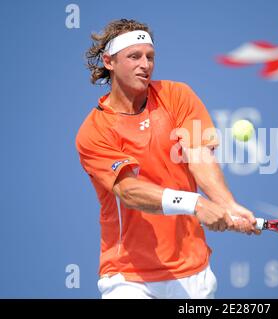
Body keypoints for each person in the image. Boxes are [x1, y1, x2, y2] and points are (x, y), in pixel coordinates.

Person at [75, 19, 258, 299]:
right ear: (109, 62)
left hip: (193, 274)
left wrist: (226, 203)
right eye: (134, 56)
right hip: (128, 279)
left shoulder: (178, 95)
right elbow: (129, 191)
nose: (145, 64)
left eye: (150, 57)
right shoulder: (94, 130)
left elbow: (198, 156)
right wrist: (195, 204)